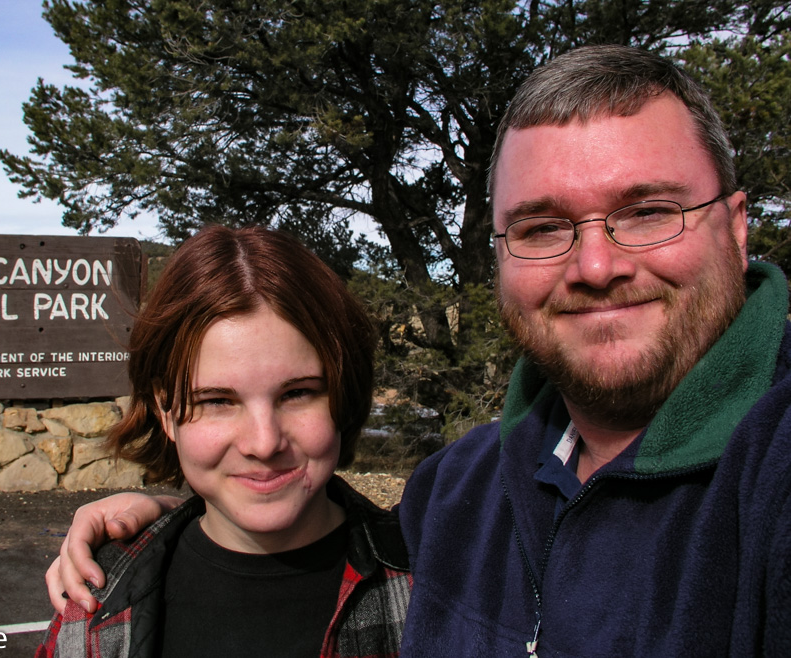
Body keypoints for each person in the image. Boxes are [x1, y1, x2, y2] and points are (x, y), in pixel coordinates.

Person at [48, 45, 791, 655]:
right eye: (542, 228)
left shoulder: (771, 475)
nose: (596, 266)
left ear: (734, 225)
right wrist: (164, 514)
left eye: (649, 211)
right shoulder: (453, 500)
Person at [35, 225, 411, 658]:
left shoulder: (436, 586)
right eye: (216, 400)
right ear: (165, 411)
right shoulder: (97, 598)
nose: (264, 443)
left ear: (344, 393)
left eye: (298, 393)